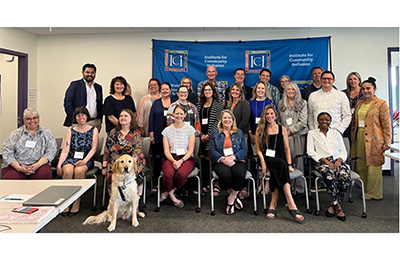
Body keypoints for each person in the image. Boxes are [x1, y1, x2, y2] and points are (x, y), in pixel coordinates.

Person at [255, 104, 304, 222]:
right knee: (281, 166)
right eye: (267, 114)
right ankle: (291, 203)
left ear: (275, 115)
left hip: (280, 159)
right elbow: (258, 149)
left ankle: (273, 203)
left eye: (272, 114)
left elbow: (287, 148)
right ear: (264, 116)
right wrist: (262, 162)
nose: (269, 116)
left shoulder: (282, 129)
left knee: (278, 169)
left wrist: (289, 164)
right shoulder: (260, 129)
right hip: (267, 158)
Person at [350, 77, 392, 200]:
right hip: (359, 137)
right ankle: (364, 190)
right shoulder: (359, 103)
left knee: (373, 166)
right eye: (363, 89)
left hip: (375, 138)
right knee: (361, 165)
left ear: (374, 89)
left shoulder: (381, 104)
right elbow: (354, 122)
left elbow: (386, 124)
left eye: (368, 88)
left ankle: (374, 193)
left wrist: (387, 141)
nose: (365, 91)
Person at [307, 112, 351, 221]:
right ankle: (338, 207)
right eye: (321, 119)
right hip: (321, 161)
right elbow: (310, 152)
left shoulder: (336, 133)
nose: (324, 122)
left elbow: (343, 150)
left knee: (345, 175)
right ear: (318, 121)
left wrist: (339, 161)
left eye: (327, 120)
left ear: (330, 122)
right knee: (329, 175)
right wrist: (326, 162)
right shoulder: (312, 133)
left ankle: (333, 204)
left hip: (337, 160)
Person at [56, 107, 99, 216]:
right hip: (71, 158)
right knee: (68, 171)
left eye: (83, 114)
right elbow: (65, 150)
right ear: (75, 117)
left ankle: (77, 200)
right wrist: (59, 165)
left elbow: (94, 148)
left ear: (87, 116)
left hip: (86, 158)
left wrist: (84, 161)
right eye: (78, 115)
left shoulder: (93, 130)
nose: (81, 117)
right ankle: (66, 200)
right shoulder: (70, 130)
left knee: (79, 171)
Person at [102, 109, 146, 212]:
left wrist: (131, 163)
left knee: (139, 170)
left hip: (132, 160)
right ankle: (113, 200)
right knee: (109, 172)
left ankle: (137, 201)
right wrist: (104, 165)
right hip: (116, 162)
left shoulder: (136, 133)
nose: (123, 118)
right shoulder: (113, 132)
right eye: (121, 116)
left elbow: (138, 149)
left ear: (131, 119)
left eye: (126, 116)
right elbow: (107, 149)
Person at [209, 110, 248, 215]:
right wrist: (223, 159)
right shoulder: (215, 133)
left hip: (237, 160)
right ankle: (234, 196)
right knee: (226, 176)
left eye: (229, 118)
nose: (227, 120)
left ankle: (231, 199)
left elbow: (244, 149)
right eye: (225, 118)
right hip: (221, 161)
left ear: (233, 120)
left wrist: (233, 157)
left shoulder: (238, 132)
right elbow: (211, 150)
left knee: (239, 174)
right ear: (221, 120)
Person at [1, 108, 57, 179]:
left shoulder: (47, 133)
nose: (32, 121)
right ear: (24, 121)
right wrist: (19, 167)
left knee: (45, 173)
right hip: (17, 165)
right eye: (28, 119)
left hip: (39, 165)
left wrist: (37, 165)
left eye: (35, 118)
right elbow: (6, 150)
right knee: (11, 177)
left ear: (38, 119)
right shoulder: (16, 134)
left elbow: (51, 151)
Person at [159, 105, 196, 208]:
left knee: (182, 174)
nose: (179, 116)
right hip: (171, 157)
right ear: (173, 115)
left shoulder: (190, 130)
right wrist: (174, 161)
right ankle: (173, 197)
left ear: (184, 115)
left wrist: (181, 161)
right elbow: (166, 150)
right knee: (168, 174)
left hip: (186, 158)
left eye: (181, 114)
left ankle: (167, 193)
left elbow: (191, 150)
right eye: (177, 113)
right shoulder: (166, 131)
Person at [148, 82, 177, 194]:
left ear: (170, 90)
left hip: (172, 137)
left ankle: (168, 184)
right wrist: (151, 134)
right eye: (163, 89)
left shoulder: (175, 102)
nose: (165, 91)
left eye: (167, 89)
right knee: (157, 160)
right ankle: (156, 183)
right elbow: (151, 119)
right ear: (160, 91)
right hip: (158, 136)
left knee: (169, 160)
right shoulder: (156, 103)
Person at [197, 82, 223, 193]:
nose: (207, 92)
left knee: (211, 160)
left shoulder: (218, 104)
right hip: (200, 136)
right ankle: (204, 183)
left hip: (212, 137)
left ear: (213, 92)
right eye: (205, 90)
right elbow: (196, 120)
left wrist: (209, 135)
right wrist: (201, 135)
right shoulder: (199, 104)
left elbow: (218, 121)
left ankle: (213, 183)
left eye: (209, 90)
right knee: (202, 160)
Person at [278, 82, 308, 174]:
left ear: (297, 91)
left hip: (298, 135)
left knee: (298, 161)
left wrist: (290, 131)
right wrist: (283, 131)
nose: (290, 91)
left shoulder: (303, 103)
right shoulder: (281, 103)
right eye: (288, 89)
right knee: (286, 160)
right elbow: (278, 119)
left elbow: (303, 122)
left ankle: (299, 186)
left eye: (293, 89)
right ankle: (287, 184)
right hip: (284, 136)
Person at [63, 63, 103, 132]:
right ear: (82, 73)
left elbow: (100, 104)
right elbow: (68, 103)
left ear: (95, 74)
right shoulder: (75, 85)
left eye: (92, 72)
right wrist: (74, 118)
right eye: (87, 72)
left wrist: (100, 119)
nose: (90, 74)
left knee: (94, 142)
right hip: (79, 122)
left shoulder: (98, 87)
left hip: (95, 122)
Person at [342, 72, 364, 139]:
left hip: (360, 122)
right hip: (347, 122)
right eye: (350, 79)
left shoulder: (364, 92)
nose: (353, 81)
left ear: (359, 80)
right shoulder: (343, 93)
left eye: (355, 79)